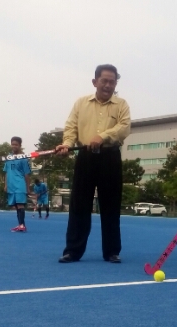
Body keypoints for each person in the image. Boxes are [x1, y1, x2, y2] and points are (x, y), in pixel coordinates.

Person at [55, 64, 131, 264]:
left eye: (112, 81)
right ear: (95, 82)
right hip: (85, 157)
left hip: (110, 157)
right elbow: (71, 127)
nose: (108, 85)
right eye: (104, 81)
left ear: (116, 83)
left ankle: (112, 251)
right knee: (79, 206)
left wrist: (103, 136)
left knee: (111, 207)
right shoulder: (81, 103)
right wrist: (66, 144)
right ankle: (73, 251)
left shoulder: (121, 105)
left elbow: (124, 128)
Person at [4, 136, 32, 232]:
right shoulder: (8, 158)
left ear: (20, 145)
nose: (14, 146)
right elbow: (6, 172)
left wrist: (28, 187)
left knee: (20, 205)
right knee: (16, 206)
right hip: (11, 185)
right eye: (12, 144)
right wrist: (6, 185)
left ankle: (22, 225)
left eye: (16, 144)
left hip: (20, 184)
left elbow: (26, 174)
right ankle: (21, 224)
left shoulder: (23, 159)